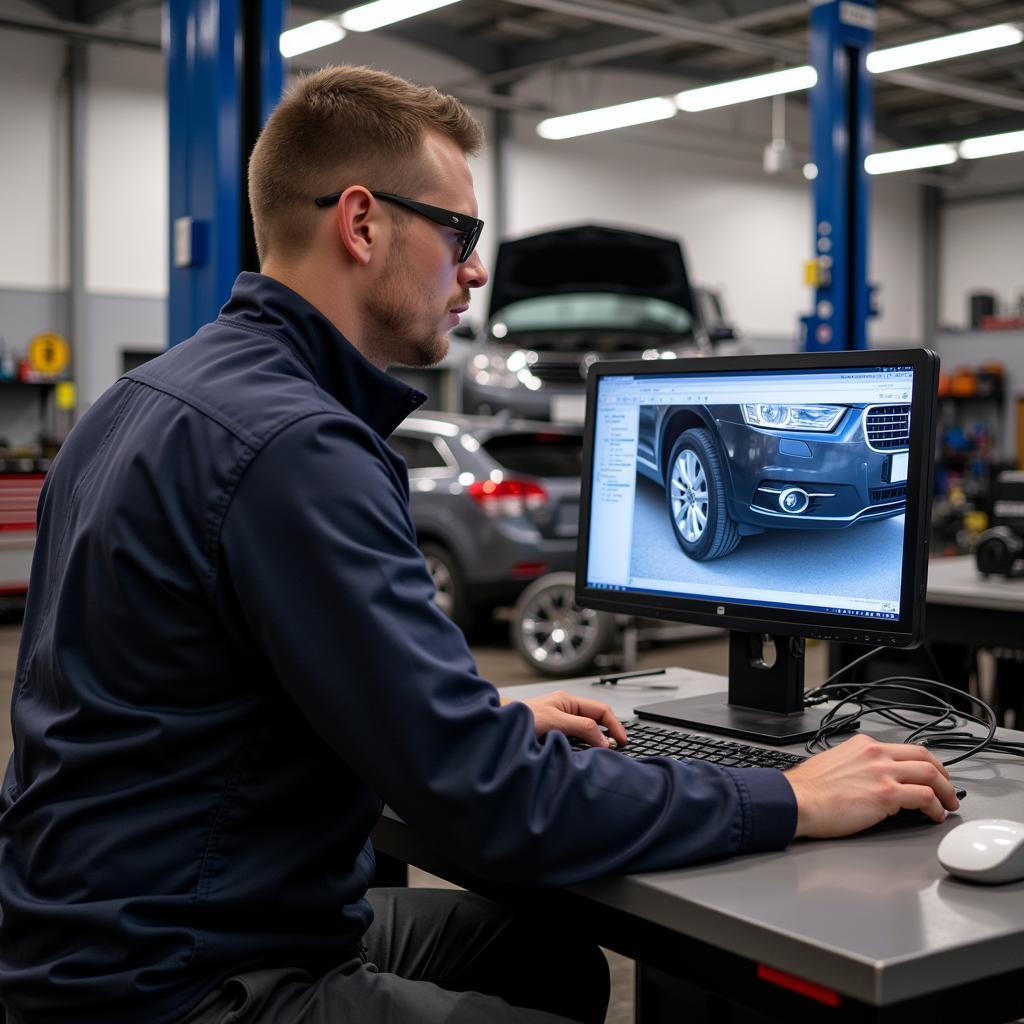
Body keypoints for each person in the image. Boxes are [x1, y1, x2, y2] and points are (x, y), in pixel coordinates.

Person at [0, 65, 959, 1024]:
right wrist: (790, 799)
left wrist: (469, 715)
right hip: (184, 978)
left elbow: (196, 679)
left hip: (100, 927)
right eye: (460, 233)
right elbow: (496, 809)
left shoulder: (142, 401)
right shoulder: (299, 445)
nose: (475, 270)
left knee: (545, 956)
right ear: (364, 222)